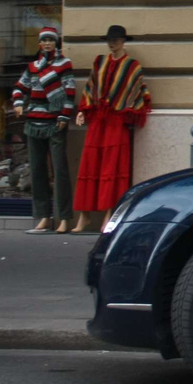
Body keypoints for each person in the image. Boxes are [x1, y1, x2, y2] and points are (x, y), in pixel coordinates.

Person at [71, 25, 151, 234]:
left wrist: (131, 110)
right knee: (90, 166)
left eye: (116, 39)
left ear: (124, 41)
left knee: (111, 167)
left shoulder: (132, 66)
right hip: (98, 120)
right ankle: (84, 216)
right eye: (110, 39)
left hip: (116, 122)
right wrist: (83, 110)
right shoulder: (100, 62)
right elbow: (90, 88)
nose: (112, 42)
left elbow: (139, 91)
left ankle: (109, 214)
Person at [13, 27, 76, 233]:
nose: (47, 43)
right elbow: (19, 87)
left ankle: (64, 217)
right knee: (38, 171)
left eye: (51, 40)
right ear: (39, 44)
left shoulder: (63, 64)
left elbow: (70, 91)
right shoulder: (32, 67)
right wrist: (18, 103)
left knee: (60, 171)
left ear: (56, 43)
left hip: (55, 124)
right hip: (33, 124)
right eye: (44, 40)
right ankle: (43, 216)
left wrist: (64, 115)